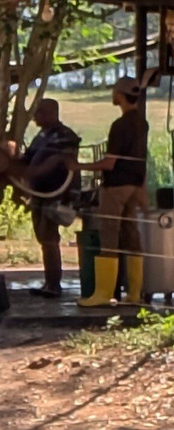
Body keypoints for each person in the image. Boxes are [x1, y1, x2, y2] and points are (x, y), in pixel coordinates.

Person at [71, 76, 149, 308]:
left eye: (115, 91)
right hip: (135, 185)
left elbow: (110, 163)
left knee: (109, 235)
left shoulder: (121, 124)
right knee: (131, 235)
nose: (113, 94)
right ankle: (134, 292)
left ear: (121, 95)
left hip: (116, 187)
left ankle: (104, 293)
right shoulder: (141, 122)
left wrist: (79, 166)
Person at [19, 98, 81, 298]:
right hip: (39, 194)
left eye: (41, 112)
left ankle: (54, 284)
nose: (36, 117)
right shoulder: (41, 136)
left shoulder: (65, 136)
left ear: (52, 113)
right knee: (44, 238)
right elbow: (28, 158)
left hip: (54, 195)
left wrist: (35, 172)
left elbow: (60, 162)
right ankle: (49, 282)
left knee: (49, 239)